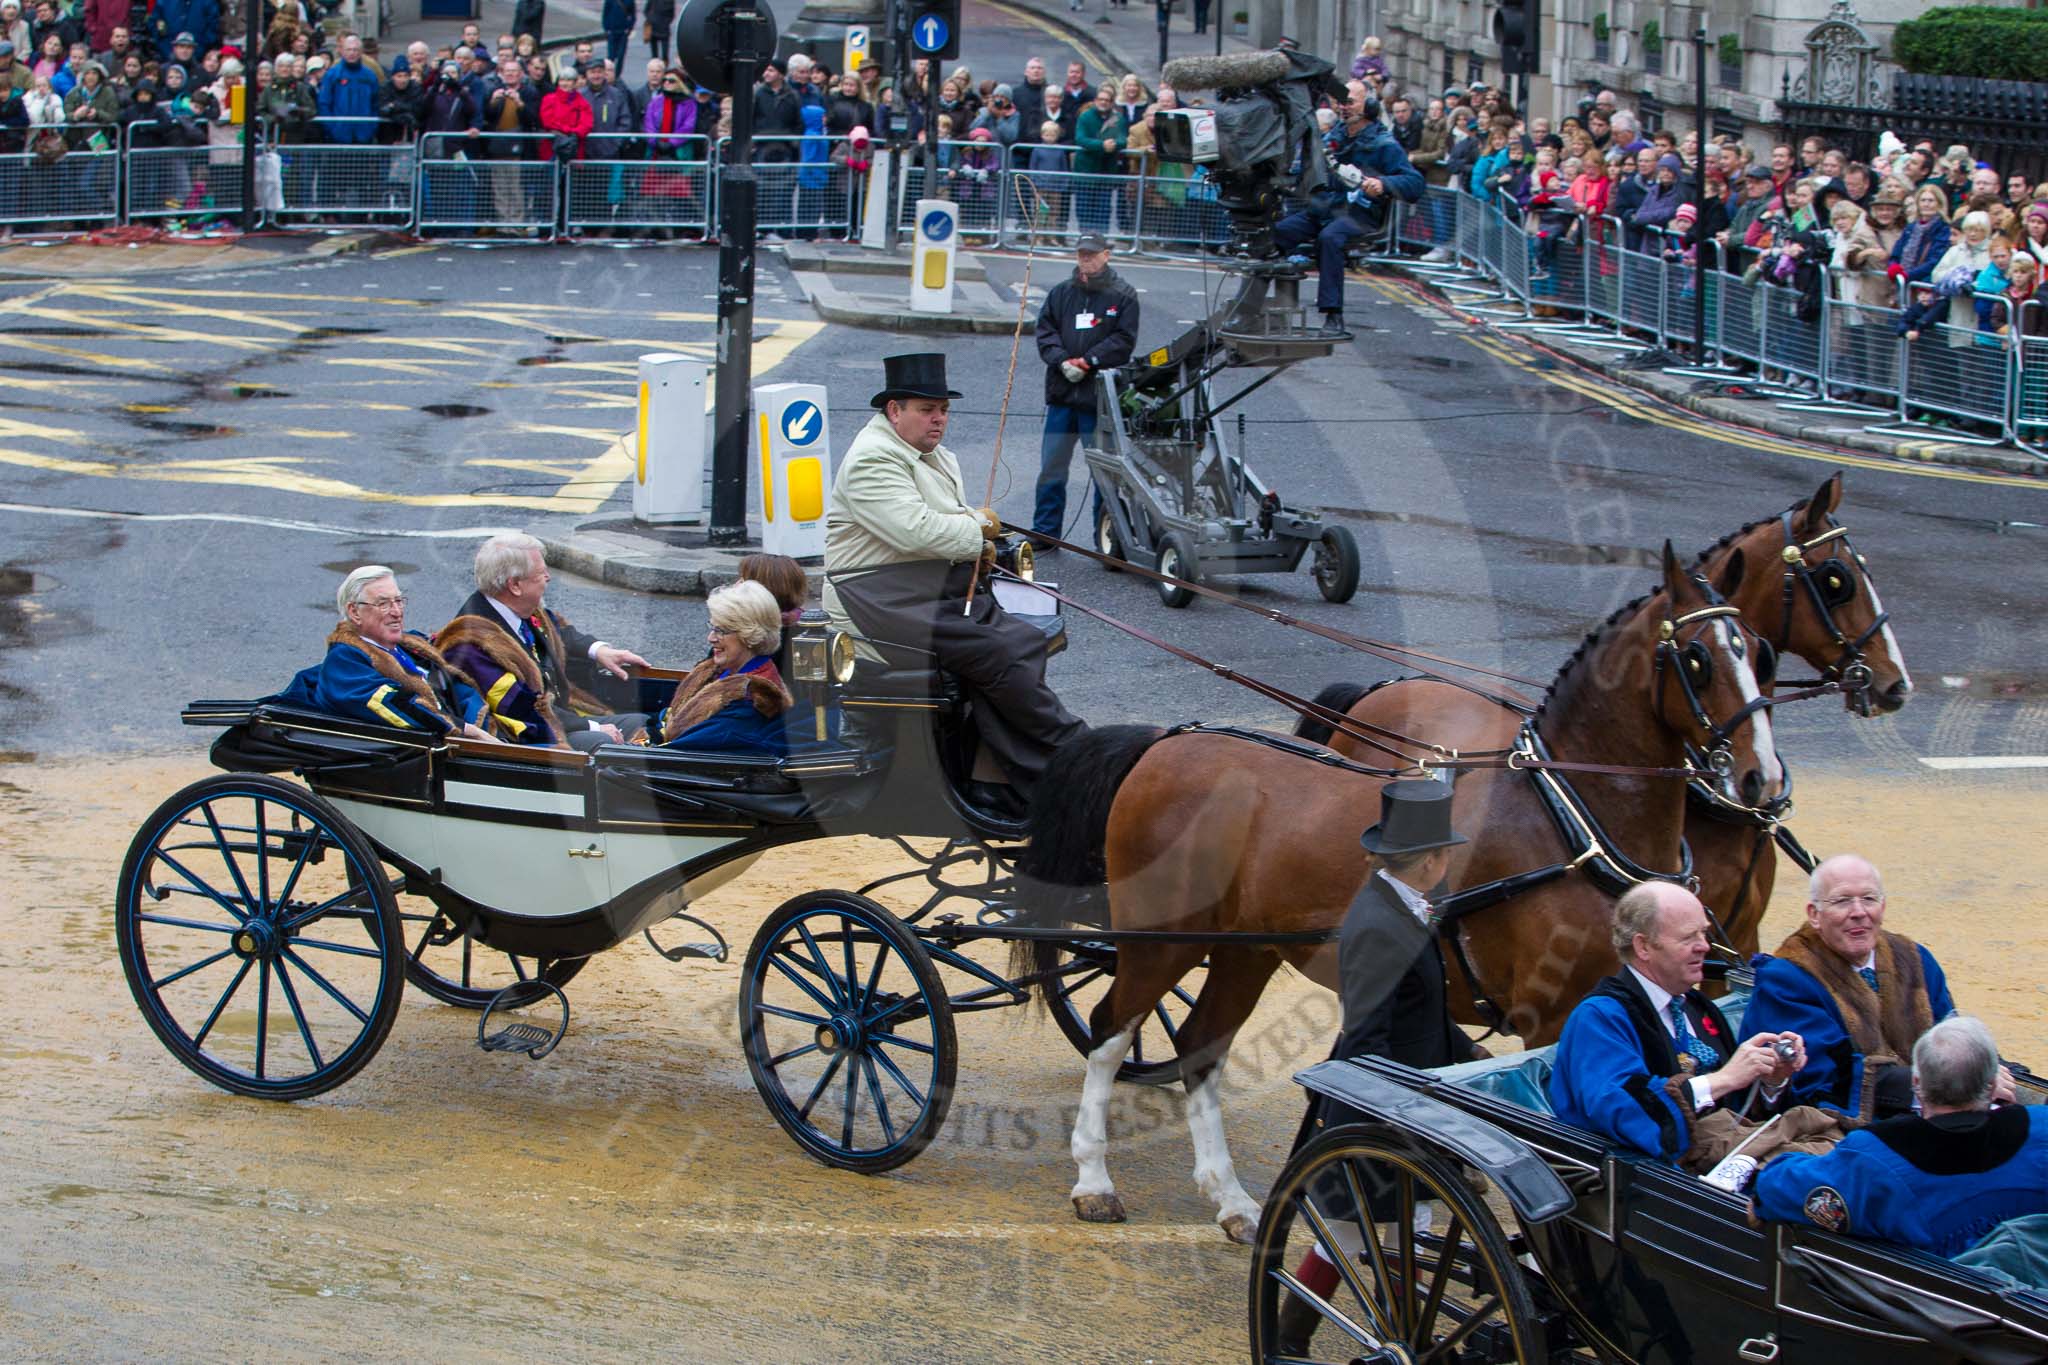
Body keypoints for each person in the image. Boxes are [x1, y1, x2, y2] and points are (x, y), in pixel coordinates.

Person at [1273, 779, 1481, 1356]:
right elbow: (1368, 1037)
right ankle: (1313, 1340)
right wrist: (1404, 1116)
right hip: (1381, 1110)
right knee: (1377, 1233)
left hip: (1398, 1101)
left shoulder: (1401, 908)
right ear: (1432, 861)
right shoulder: (1381, 925)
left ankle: (1304, 1337)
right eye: (1446, 853)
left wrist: (1469, 1055)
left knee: (1371, 1233)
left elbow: (1420, 1014)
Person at [823, 352, 1086, 806]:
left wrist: (978, 539)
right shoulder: (872, 459)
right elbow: (917, 531)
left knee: (1025, 637)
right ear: (894, 411)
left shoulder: (935, 455)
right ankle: (1064, 760)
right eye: (927, 410)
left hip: (926, 589)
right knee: (999, 652)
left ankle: (999, 771)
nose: (939, 419)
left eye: (944, 409)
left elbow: (947, 526)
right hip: (875, 597)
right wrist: (980, 529)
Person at [1549, 882, 1813, 1167]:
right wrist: (1725, 1078)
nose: (1705, 946)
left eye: (1703, 932)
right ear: (1644, 946)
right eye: (1689, 937)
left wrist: (1770, 1081)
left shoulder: (1696, 1006)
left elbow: (1737, 1111)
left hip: (1726, 1162)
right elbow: (1625, 1112)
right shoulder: (1600, 1018)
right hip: (1650, 1184)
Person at [1755, 1017, 2048, 1257]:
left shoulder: (1873, 1158)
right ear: (1993, 1084)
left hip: (1936, 1307)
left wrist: (1788, 1162)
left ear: (1917, 1084)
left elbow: (1775, 1190)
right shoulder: (2041, 1129)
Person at [1742, 855, 1998, 1119]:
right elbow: (1824, 1080)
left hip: (1943, 1101)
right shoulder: (1786, 978)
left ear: (1883, 906)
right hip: (1847, 1123)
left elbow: (1951, 1032)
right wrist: (1953, 1084)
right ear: (1814, 914)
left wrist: (1986, 1070)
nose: (1858, 912)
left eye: (1869, 899)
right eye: (1842, 901)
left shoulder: (1915, 958)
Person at [434, 532, 651, 751]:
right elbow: (520, 708)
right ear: (515, 585)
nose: (548, 577)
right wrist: (592, 726)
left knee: (642, 723)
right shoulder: (471, 643)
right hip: (526, 737)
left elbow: (559, 633)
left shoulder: (517, 609)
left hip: (556, 717)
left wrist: (599, 651)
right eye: (541, 572)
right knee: (606, 746)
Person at [283, 566, 499, 740]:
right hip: (436, 759)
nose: (397, 612)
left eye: (398, 601)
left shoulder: (409, 646)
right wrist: (468, 730)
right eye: (383, 604)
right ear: (354, 612)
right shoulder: (345, 661)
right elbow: (395, 705)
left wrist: (482, 725)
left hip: (477, 737)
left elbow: (457, 684)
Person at [1273, 83, 1422, 331]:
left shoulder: (1383, 144)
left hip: (1360, 215)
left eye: (1350, 101)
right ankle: (1265, 305)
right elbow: (1305, 170)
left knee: (1329, 238)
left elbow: (1415, 183)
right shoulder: (1332, 138)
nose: (1344, 107)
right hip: (1324, 210)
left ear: (1370, 106)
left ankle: (1333, 316)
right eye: (1341, 102)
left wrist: (1383, 183)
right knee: (1276, 233)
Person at [1031, 234, 1139, 546]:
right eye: (1081, 254)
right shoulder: (1061, 293)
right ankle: (1044, 533)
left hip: (1099, 400)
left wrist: (1089, 361)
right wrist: (1062, 360)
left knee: (1104, 475)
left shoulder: (1125, 295)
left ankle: (1107, 539)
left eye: (1092, 254)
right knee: (1052, 468)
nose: (1086, 260)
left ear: (1106, 255)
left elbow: (1123, 341)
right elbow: (1045, 332)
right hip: (1062, 397)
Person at [637, 581, 793, 753]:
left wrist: (633, 743)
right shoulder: (725, 670)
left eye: (721, 630)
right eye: (712, 627)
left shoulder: (753, 698)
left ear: (749, 635)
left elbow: (683, 749)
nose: (710, 638)